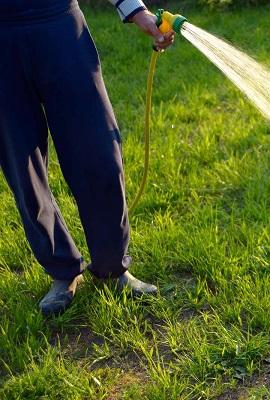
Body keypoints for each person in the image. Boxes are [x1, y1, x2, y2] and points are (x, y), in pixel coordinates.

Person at [0, 0, 174, 316]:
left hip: (59, 26)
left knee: (98, 151)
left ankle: (112, 266)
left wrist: (136, 11)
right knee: (22, 167)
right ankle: (62, 270)